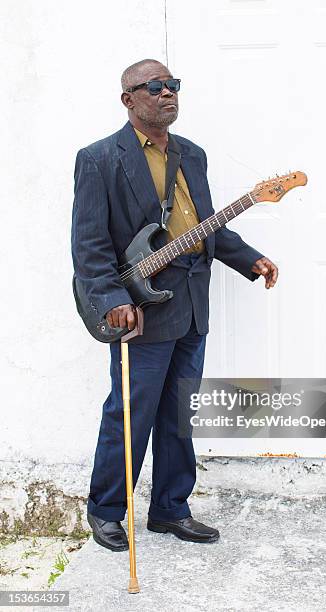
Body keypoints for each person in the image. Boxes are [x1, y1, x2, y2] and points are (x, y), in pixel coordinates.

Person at [71, 58, 278, 551]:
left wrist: (250, 259)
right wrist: (113, 300)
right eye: (155, 86)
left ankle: (170, 508)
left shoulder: (193, 156)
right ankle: (105, 512)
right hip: (139, 309)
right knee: (129, 412)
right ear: (129, 100)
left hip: (190, 303)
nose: (168, 93)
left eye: (173, 85)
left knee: (178, 413)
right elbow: (90, 246)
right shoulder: (99, 158)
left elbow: (206, 226)